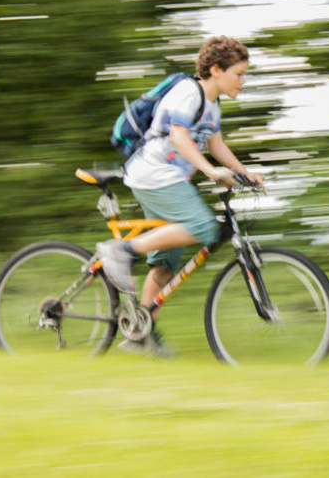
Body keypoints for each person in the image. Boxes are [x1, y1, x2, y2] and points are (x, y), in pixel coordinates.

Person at [96, 35, 265, 356]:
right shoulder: (188, 92)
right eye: (239, 74)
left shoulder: (213, 104)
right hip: (153, 174)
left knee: (164, 265)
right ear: (216, 69)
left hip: (170, 178)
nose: (243, 81)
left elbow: (216, 145)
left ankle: (138, 334)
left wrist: (244, 173)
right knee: (202, 227)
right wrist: (211, 172)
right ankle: (120, 251)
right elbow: (179, 137)